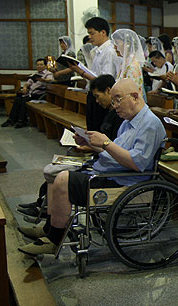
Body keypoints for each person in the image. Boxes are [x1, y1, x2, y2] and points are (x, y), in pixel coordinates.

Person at [18, 79, 167, 256]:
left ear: (135, 97)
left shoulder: (150, 124)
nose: (115, 106)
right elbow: (114, 150)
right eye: (113, 101)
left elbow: (136, 163)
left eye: (118, 99)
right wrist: (91, 143)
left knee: (63, 179)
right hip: (108, 171)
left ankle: (54, 240)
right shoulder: (129, 121)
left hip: (124, 180)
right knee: (55, 173)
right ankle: (49, 229)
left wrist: (104, 143)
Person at [16, 75, 124, 219]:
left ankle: (46, 212)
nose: (97, 101)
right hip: (98, 157)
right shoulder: (110, 113)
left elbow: (113, 147)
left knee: (54, 172)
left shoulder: (120, 117)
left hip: (103, 165)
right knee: (52, 169)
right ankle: (44, 208)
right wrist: (87, 143)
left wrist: (89, 147)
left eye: (98, 96)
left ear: (109, 91)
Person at [69, 17, 119, 133]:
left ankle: (96, 150)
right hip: (94, 93)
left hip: (102, 95)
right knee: (92, 126)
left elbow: (106, 81)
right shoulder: (98, 51)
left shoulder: (109, 51)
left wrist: (81, 72)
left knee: (98, 128)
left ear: (103, 32)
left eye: (92, 33)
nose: (89, 37)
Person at [1, 58, 54, 128]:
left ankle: (22, 121)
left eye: (41, 64)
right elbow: (27, 83)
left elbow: (50, 80)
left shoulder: (48, 74)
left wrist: (42, 79)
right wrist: (25, 87)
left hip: (39, 94)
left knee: (24, 101)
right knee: (17, 99)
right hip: (30, 93)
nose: (39, 66)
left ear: (45, 65)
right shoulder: (35, 74)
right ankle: (11, 119)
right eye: (38, 65)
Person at [110, 29, 145, 93]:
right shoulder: (125, 62)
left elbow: (130, 91)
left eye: (117, 43)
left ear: (127, 44)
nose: (115, 47)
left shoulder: (132, 66)